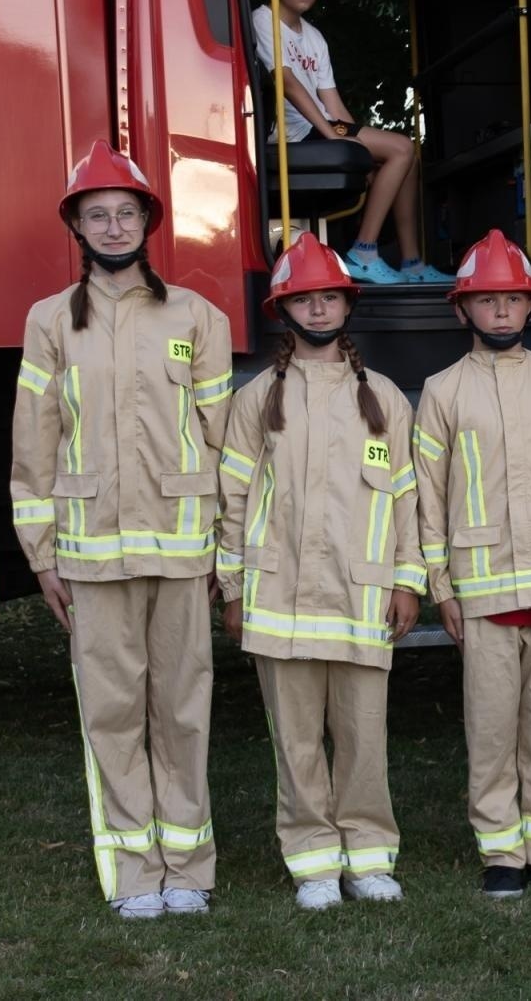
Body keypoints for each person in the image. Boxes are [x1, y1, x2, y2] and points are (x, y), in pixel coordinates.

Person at [10, 140, 232, 919]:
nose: (112, 226)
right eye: (96, 215)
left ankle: (190, 866)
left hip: (181, 550)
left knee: (181, 707)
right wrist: (42, 557)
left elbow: (225, 445)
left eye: (125, 213)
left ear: (148, 222)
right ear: (77, 226)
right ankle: (137, 873)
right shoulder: (49, 324)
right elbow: (32, 449)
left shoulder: (196, 316)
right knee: (111, 711)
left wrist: (225, 552)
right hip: (91, 554)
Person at [215, 233, 425, 911]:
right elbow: (233, 501)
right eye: (304, 298)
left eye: (328, 296)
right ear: (285, 310)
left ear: (347, 304)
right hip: (278, 598)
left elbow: (406, 498)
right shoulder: (257, 400)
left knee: (364, 736)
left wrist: (407, 580)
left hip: (362, 595)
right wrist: (234, 588)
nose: (318, 308)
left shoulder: (385, 396)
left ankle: (369, 858)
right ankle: (311, 861)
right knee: (297, 739)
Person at [412, 229, 531, 899]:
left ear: (529, 307)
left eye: (512, 301)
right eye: (486, 301)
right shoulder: (442, 392)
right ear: (463, 309)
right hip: (481, 586)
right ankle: (500, 852)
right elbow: (428, 497)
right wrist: (442, 587)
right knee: (490, 725)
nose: (500, 313)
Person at [253, 0, 449, 285]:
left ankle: (412, 263)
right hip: (292, 131)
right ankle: (363, 251)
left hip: (320, 126)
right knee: (401, 147)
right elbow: (287, 83)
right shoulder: (263, 19)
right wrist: (335, 137)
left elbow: (333, 102)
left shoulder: (314, 36)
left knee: (407, 156)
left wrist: (353, 137)